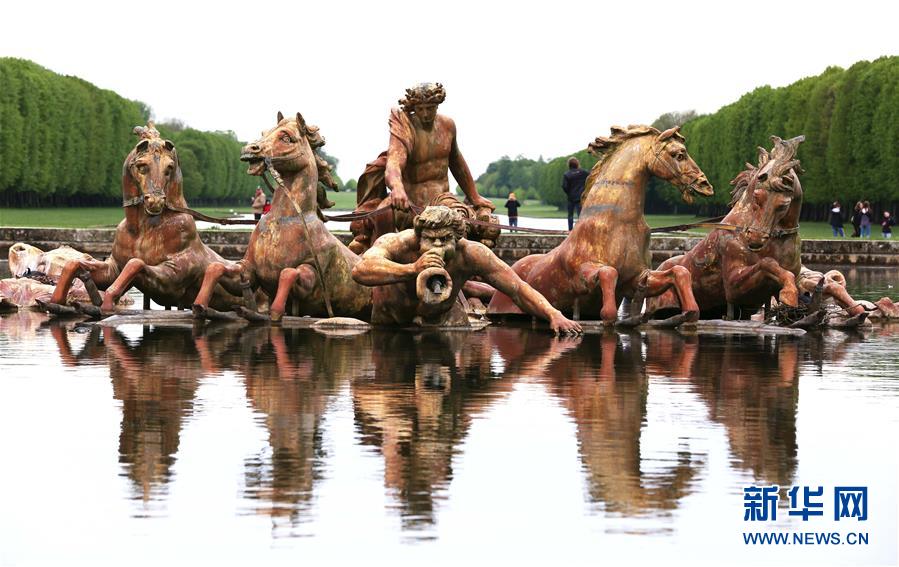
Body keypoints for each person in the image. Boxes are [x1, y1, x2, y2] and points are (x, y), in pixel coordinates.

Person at [351, 206, 581, 334]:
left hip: (438, 324)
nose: (437, 246)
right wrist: (412, 268)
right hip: (391, 322)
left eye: (445, 239)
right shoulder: (399, 242)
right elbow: (361, 269)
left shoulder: (471, 253)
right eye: (430, 239)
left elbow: (518, 289)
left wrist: (554, 314)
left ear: (458, 239)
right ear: (418, 237)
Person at [350, 83, 498, 253]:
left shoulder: (448, 126)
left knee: (458, 220)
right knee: (382, 215)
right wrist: (397, 188)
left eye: (430, 108)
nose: (426, 114)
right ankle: (378, 256)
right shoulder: (405, 127)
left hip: (441, 199)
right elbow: (394, 163)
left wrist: (474, 196)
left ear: (438, 105)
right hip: (409, 201)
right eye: (420, 109)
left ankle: (463, 262)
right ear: (413, 107)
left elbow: (456, 162)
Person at [562, 157, 589, 230]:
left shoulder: (567, 174)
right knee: (581, 215)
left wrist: (569, 193)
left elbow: (564, 187)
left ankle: (570, 230)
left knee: (570, 215)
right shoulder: (584, 173)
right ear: (577, 164)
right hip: (581, 197)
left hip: (571, 197)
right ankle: (582, 230)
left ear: (569, 165)